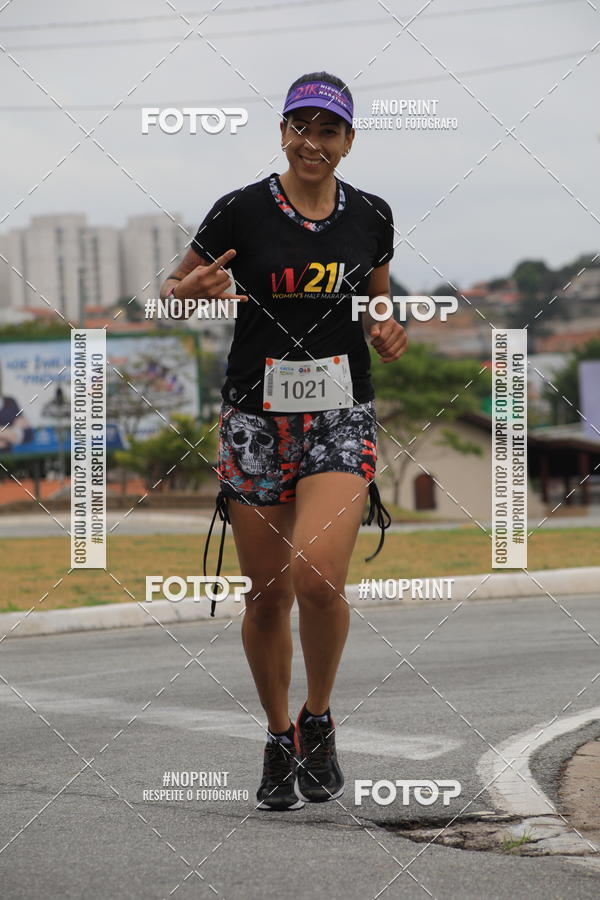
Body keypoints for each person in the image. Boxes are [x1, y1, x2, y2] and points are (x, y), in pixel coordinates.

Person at [160, 72, 408, 811]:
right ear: (282, 133)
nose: (313, 142)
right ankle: (278, 736)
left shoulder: (372, 215)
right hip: (255, 421)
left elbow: (378, 303)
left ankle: (318, 718)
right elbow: (175, 290)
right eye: (301, 127)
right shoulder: (239, 210)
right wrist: (188, 293)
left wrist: (386, 327)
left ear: (348, 142)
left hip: (339, 415)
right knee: (266, 596)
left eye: (328, 130)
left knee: (318, 580)